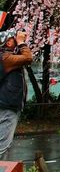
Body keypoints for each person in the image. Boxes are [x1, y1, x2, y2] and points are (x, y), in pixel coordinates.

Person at [0, 29, 33, 160]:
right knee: (3, 144)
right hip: (7, 106)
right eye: (13, 39)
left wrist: (19, 42)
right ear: (8, 43)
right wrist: (21, 42)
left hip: (6, 104)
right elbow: (27, 58)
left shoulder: (5, 56)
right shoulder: (5, 58)